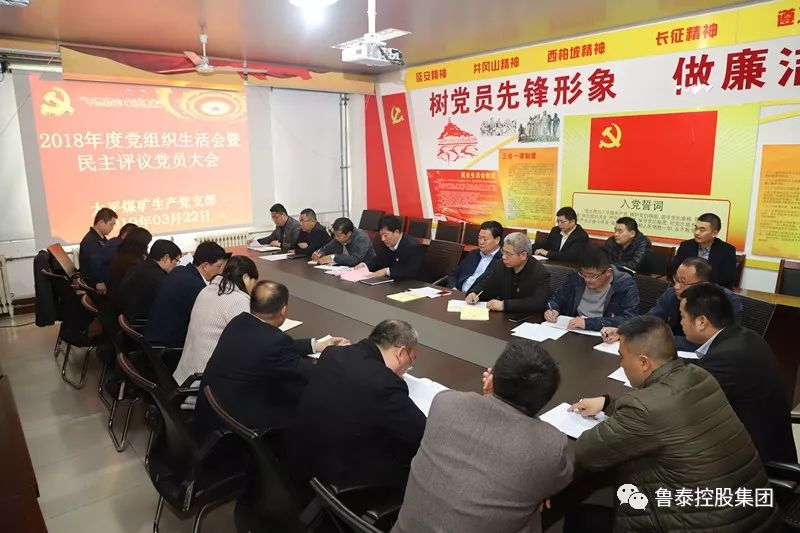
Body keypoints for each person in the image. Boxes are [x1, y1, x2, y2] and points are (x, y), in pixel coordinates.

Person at [568, 315, 779, 533]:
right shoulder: (700, 376)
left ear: (643, 362)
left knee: (581, 517)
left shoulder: (644, 408)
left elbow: (587, 452)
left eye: (622, 357)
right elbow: (666, 411)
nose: (621, 363)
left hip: (703, 525)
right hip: (756, 519)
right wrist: (608, 403)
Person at [392, 341, 573, 533]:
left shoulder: (445, 403)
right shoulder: (548, 447)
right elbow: (562, 477)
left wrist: (491, 397)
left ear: (493, 376)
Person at [193, 280, 349, 440]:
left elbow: (271, 347)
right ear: (284, 311)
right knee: (314, 403)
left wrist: (316, 346)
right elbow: (311, 375)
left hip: (216, 413)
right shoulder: (273, 342)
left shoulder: (239, 322)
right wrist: (338, 354)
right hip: (242, 426)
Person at [287, 319, 426, 489]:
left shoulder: (332, 353)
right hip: (338, 483)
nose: (407, 369)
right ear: (401, 353)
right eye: (411, 362)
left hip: (300, 461)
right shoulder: (385, 383)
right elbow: (422, 434)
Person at [680, 283, 796, 464]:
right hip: (763, 443)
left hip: (754, 463)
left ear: (701, 322)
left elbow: (683, 401)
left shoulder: (726, 357)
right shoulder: (746, 336)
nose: (681, 323)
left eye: (683, 317)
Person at [600, 257, 742, 350]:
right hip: (672, 353)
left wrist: (659, 340)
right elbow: (651, 318)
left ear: (704, 284)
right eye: (676, 279)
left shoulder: (727, 302)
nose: (676, 286)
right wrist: (624, 330)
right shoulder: (672, 294)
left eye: (683, 282)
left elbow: (716, 343)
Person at [173, 256, 260, 384]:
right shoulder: (238, 300)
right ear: (246, 278)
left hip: (185, 376)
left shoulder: (207, 290)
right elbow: (253, 344)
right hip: (205, 383)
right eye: (254, 282)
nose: (254, 289)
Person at [145, 241, 230, 351]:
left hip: (154, 337)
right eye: (218, 266)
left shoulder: (180, 270)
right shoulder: (195, 286)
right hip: (169, 348)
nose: (220, 271)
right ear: (205, 266)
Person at [545, 247, 639, 331]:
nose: (587, 280)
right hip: (573, 330)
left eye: (592, 276)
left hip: (604, 335)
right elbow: (557, 298)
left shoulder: (624, 284)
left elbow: (629, 318)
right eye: (584, 275)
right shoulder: (577, 277)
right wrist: (552, 309)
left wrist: (589, 323)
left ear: (608, 272)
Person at [466, 232, 550, 313]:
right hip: (503, 317)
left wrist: (504, 305)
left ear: (523, 255)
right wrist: (475, 293)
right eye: (503, 251)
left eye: (508, 253)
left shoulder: (540, 273)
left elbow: (537, 303)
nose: (503, 257)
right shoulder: (500, 265)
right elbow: (487, 284)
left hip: (526, 318)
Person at [115, 239, 182, 321]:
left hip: (126, 315)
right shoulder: (157, 277)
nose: (176, 265)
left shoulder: (139, 267)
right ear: (166, 258)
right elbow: (170, 302)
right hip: (140, 321)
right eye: (177, 261)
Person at [669, 212, 738, 288]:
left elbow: (728, 278)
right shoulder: (686, 245)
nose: (696, 232)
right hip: (686, 287)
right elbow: (673, 270)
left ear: (714, 233)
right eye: (696, 228)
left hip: (712, 289)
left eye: (702, 230)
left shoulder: (727, 250)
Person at [445, 220, 502, 293]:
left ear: (497, 240)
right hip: (457, 293)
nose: (481, 242)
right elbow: (454, 274)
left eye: (485, 239)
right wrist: (453, 288)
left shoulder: (502, 260)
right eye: (479, 238)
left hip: (476, 298)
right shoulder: (473, 254)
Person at [363, 215, 426, 280]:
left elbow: (410, 271)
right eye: (381, 235)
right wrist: (365, 266)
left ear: (396, 232)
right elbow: (378, 260)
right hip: (392, 281)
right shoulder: (387, 243)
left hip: (412, 283)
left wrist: (386, 271)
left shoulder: (413, 247)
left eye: (385, 235)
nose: (382, 239)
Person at [79, 207, 118, 291]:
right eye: (111, 224)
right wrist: (99, 281)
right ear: (101, 222)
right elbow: (92, 265)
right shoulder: (90, 241)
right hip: (96, 283)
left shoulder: (101, 238)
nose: (112, 228)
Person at [312, 217, 376, 267]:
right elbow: (326, 249)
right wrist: (318, 253)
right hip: (345, 269)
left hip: (367, 270)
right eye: (335, 234)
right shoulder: (339, 238)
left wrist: (333, 257)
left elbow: (355, 260)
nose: (336, 238)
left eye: (338, 236)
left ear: (348, 233)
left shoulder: (362, 238)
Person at [107, 227, 152, 297]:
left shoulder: (124, 253)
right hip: (125, 298)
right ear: (140, 243)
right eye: (146, 243)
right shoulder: (131, 261)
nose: (147, 246)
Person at [89, 222, 137, 287]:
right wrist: (99, 281)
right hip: (110, 283)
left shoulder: (115, 242)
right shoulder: (117, 246)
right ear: (125, 234)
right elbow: (96, 260)